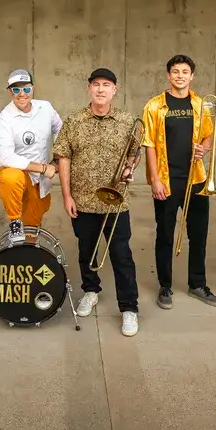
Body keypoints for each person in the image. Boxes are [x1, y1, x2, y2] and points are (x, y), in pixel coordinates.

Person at [54, 67, 143, 337]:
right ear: (89, 88)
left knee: (122, 255)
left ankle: (129, 307)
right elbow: (63, 158)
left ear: (114, 90)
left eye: (106, 85)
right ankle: (91, 291)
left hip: (116, 202)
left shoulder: (128, 121)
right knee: (86, 252)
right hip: (83, 201)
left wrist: (130, 168)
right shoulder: (74, 121)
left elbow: (135, 153)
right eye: (96, 84)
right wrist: (67, 196)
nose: (101, 89)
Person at [141, 54, 216, 309]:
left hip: (196, 179)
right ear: (168, 75)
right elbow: (149, 144)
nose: (180, 76)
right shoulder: (155, 105)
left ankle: (197, 284)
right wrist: (155, 179)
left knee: (198, 235)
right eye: (175, 71)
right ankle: (165, 286)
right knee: (165, 234)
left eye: (185, 72)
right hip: (167, 179)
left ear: (192, 76)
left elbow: (208, 135)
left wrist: (204, 149)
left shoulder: (200, 104)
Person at [0, 68, 62, 243]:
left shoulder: (45, 107)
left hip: (39, 182)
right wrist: (43, 168)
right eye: (16, 89)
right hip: (20, 178)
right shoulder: (5, 118)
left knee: (31, 233)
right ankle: (15, 222)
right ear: (10, 92)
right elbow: (6, 157)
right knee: (10, 175)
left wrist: (57, 158)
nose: (22, 94)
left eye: (26, 88)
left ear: (32, 88)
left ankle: (28, 252)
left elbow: (61, 130)